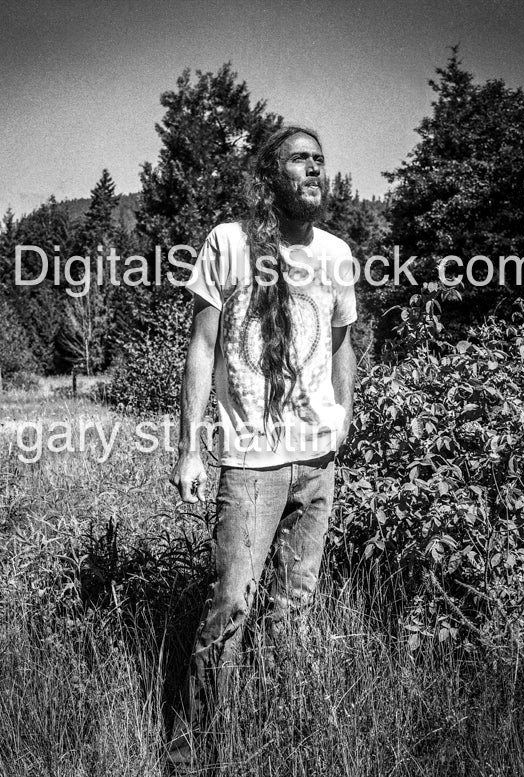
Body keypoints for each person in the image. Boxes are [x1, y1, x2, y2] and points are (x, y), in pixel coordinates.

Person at [166, 125, 358, 769]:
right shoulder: (231, 241)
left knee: (294, 610)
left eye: (320, 161)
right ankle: (195, 752)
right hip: (251, 462)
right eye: (300, 159)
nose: (314, 170)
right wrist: (190, 448)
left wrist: (343, 419)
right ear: (270, 174)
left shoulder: (336, 253)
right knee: (230, 607)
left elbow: (340, 344)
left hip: (317, 461)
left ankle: (277, 740)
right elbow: (202, 347)